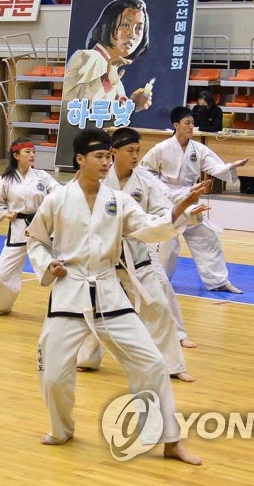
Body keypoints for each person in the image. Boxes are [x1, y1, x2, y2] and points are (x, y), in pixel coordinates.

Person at [26, 127, 203, 463]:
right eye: (100, 156)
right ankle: (62, 429)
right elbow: (35, 239)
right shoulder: (57, 199)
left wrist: (178, 214)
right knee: (53, 374)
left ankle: (169, 440)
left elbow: (147, 228)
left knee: (151, 363)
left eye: (109, 156)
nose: (108, 162)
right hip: (69, 291)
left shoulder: (117, 201)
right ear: (80, 159)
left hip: (108, 291)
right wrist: (48, 265)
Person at [72, 127, 199, 376]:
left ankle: (173, 366)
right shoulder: (92, 177)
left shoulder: (145, 181)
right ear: (113, 152)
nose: (135, 156)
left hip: (137, 253)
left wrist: (184, 214)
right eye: (130, 151)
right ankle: (86, 358)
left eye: (138, 151)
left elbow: (162, 211)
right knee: (94, 309)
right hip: (102, 256)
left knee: (159, 307)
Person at [140, 107, 247, 293]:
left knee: (207, 236)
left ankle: (218, 281)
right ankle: (159, 283)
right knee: (168, 243)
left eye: (192, 123)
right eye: (187, 123)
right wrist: (160, 190)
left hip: (190, 197)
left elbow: (215, 167)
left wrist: (230, 166)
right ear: (176, 125)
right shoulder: (161, 148)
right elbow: (144, 172)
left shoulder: (198, 149)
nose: (191, 126)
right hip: (166, 201)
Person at [0, 137, 61, 316]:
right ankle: (2, 306)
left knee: (58, 269)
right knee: (1, 276)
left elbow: (59, 191)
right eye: (27, 152)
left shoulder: (42, 176)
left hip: (41, 228)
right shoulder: (4, 180)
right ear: (16, 155)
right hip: (18, 229)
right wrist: (6, 213)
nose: (32, 155)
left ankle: (68, 309)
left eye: (33, 152)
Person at [62, 0, 152, 110]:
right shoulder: (87, 56)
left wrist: (133, 105)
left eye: (139, 29)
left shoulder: (113, 73)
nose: (132, 35)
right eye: (125, 25)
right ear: (106, 26)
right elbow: (67, 106)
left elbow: (107, 119)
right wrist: (106, 81)